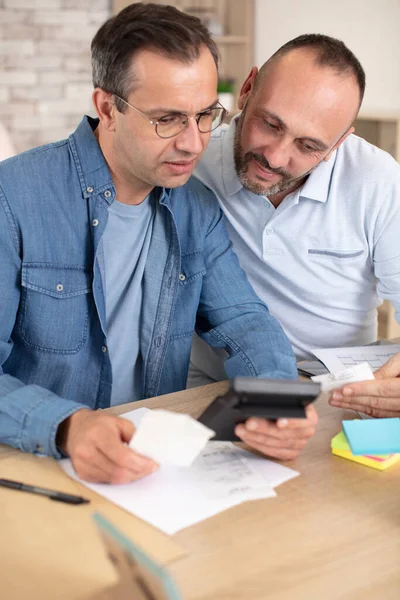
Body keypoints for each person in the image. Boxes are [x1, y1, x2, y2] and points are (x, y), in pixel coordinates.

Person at [0, 3, 317, 484]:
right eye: (168, 119)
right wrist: (67, 425)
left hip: (153, 474)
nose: (193, 143)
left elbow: (245, 319)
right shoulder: (13, 198)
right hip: (35, 468)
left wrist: (276, 399)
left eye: (205, 114)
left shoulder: (197, 207)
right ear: (108, 108)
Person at [188, 34, 400, 393]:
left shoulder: (376, 179)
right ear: (247, 88)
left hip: (337, 387)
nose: (274, 156)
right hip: (211, 384)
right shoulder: (192, 164)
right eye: (270, 124)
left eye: (308, 146)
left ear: (339, 143)